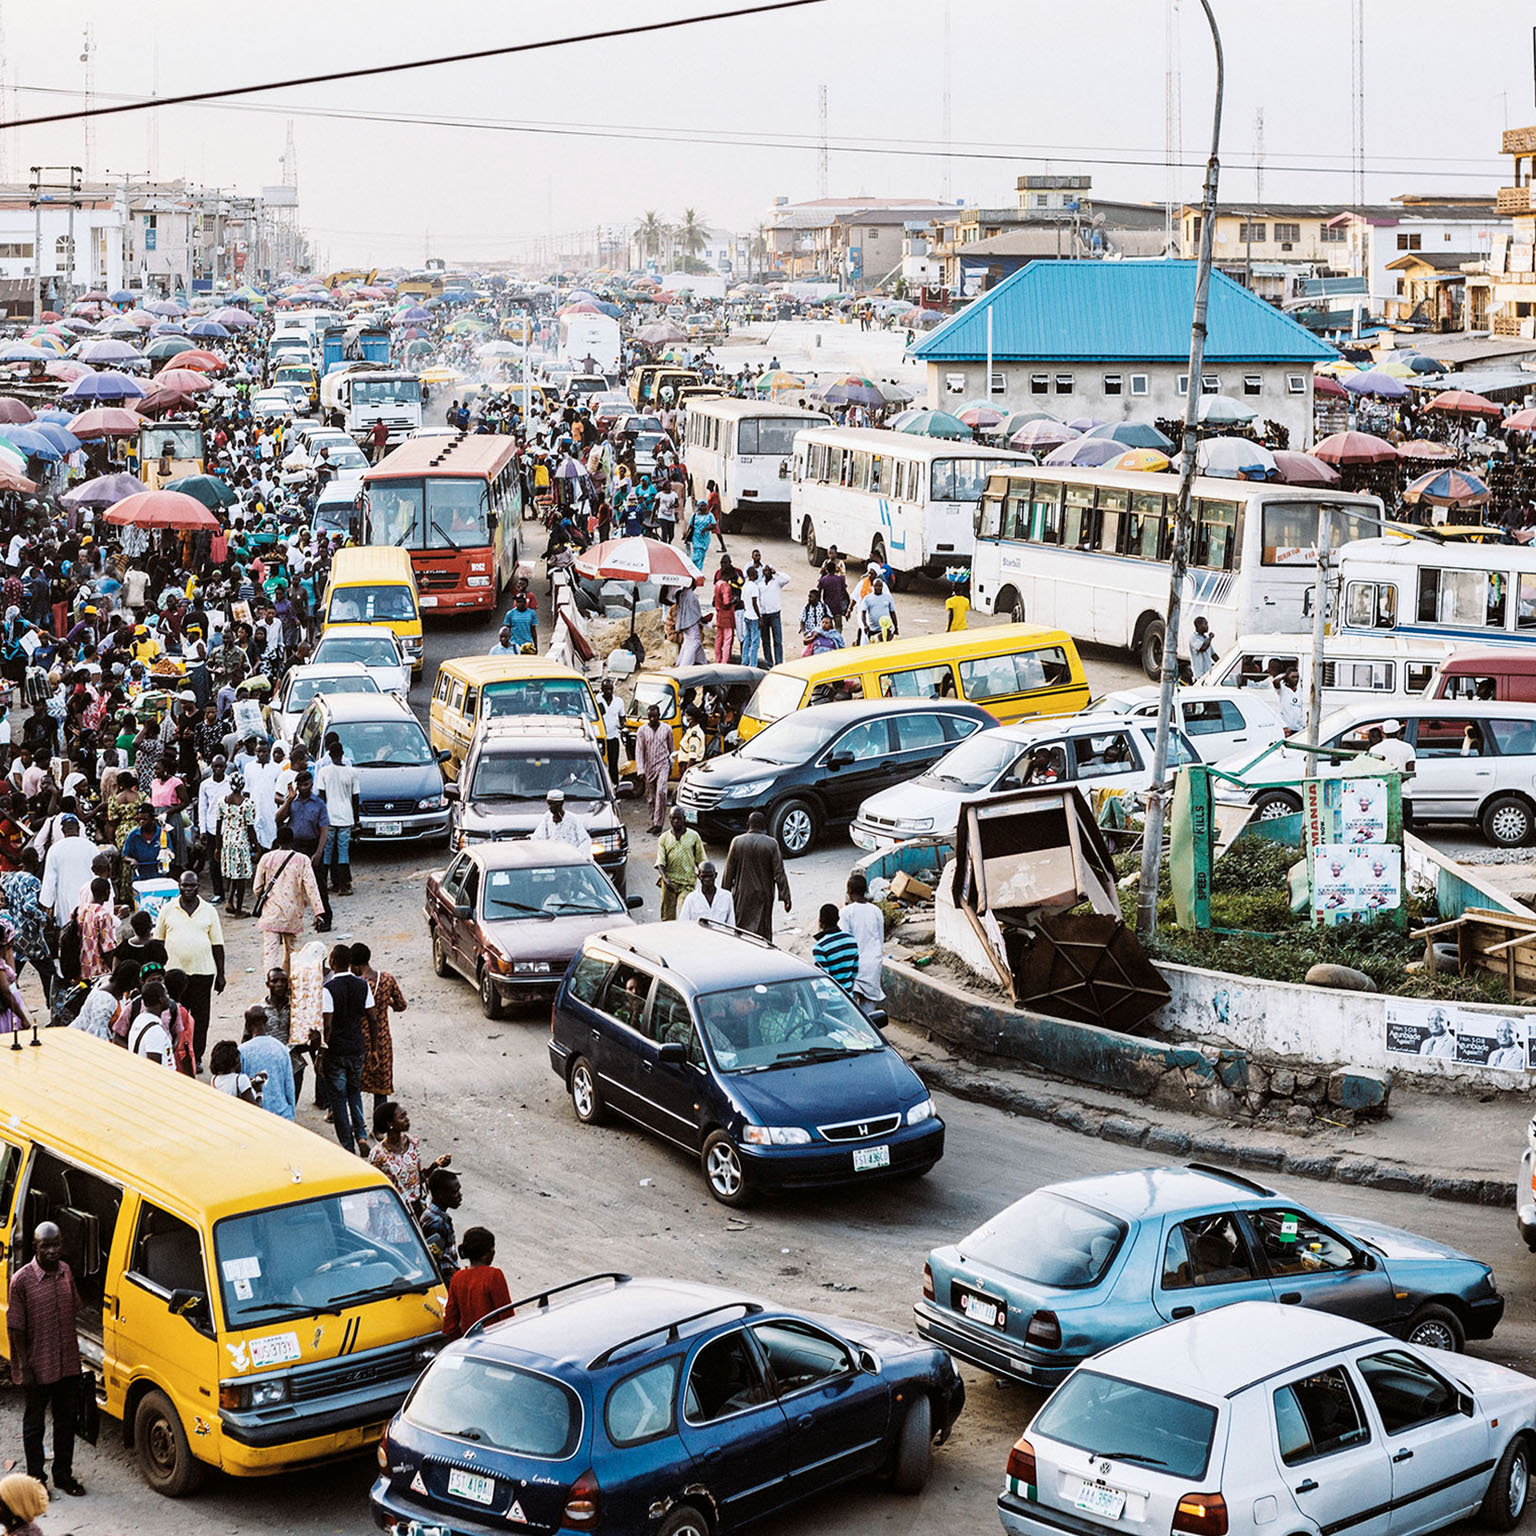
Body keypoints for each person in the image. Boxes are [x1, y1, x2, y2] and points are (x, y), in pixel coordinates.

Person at [7, 1221, 87, 1497]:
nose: (53, 1251)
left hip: (66, 1362)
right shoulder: (22, 1280)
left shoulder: (65, 1272)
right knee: (34, 1424)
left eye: (57, 1244)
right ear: (35, 1247)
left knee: (66, 1421)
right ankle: (36, 1481)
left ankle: (63, 1476)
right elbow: (15, 1326)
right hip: (37, 1365)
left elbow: (74, 1308)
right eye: (46, 1246)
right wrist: (24, 1366)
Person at [154, 871, 225, 1069]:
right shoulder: (168, 909)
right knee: (174, 1016)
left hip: (203, 973)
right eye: (184, 886)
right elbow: (158, 942)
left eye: (192, 886)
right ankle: (176, 1054)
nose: (188, 890)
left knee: (200, 1018)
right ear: (179, 886)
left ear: (198, 887)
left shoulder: (209, 911)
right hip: (174, 975)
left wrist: (221, 974)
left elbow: (217, 945)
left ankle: (197, 1056)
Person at [252, 825, 325, 975]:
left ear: (277, 840)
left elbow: (257, 887)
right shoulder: (302, 860)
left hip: (271, 913)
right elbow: (312, 887)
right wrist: (318, 912)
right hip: (292, 913)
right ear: (293, 840)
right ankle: (289, 983)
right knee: (291, 951)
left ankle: (272, 982)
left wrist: (264, 898)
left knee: (270, 953)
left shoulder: (267, 858)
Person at [324, 942, 372, 1155]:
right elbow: (372, 1018)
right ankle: (361, 1135)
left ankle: (347, 1146)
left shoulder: (328, 989)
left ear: (332, 962)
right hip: (357, 1047)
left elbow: (327, 1025)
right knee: (355, 1092)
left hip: (336, 1050)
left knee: (338, 1097)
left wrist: (320, 1052)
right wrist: (375, 1047)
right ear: (350, 962)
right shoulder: (363, 985)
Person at [351, 941, 404, 1113]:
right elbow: (401, 1005)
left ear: (355, 965)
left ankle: (358, 1125)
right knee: (381, 1084)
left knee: (355, 1084)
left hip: (360, 1039)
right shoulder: (387, 979)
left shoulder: (357, 985)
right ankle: (379, 1128)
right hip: (382, 1039)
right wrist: (386, 1002)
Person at [722, 812, 791, 942]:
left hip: (742, 893)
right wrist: (786, 897)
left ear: (748, 824)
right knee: (763, 929)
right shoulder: (772, 844)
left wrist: (724, 895)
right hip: (764, 894)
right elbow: (779, 873)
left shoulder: (737, 842)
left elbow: (728, 872)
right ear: (764, 826)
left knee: (741, 927)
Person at [368, 1099, 449, 1209]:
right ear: (390, 1124)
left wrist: (435, 1165)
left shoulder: (413, 1143)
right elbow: (372, 1194)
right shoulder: (378, 1154)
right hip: (394, 1213)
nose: (407, 1120)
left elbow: (418, 1178)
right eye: (402, 1117)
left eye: (405, 1115)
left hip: (416, 1209)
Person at [441, 1226, 512, 1341]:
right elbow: (507, 1316)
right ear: (486, 1254)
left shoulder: (457, 1278)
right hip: (494, 1341)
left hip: (469, 1344)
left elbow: (450, 1325)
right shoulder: (494, 1276)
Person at [314, 740, 359, 897]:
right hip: (346, 816)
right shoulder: (352, 772)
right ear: (342, 754)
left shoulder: (324, 772)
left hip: (329, 816)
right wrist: (356, 819)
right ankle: (342, 886)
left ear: (330, 755)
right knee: (343, 851)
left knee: (327, 851)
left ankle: (323, 885)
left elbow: (321, 796)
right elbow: (355, 798)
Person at [838, 872, 885, 1016]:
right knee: (869, 1009)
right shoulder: (876, 911)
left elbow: (844, 941)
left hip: (855, 966)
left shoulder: (846, 912)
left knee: (851, 1007)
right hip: (873, 963)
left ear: (849, 891)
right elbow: (880, 938)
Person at [38, 815, 97, 928]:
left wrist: (47, 905)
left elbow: (49, 881)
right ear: (78, 829)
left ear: (63, 830)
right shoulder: (91, 847)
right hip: (89, 903)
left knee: (69, 936)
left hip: (65, 905)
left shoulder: (54, 849)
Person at [240, 1004, 295, 1119]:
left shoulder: (242, 1051)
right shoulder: (281, 1048)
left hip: (254, 1115)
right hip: (281, 1113)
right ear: (266, 1021)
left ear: (247, 1025)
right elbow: (289, 1086)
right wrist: (291, 1112)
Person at [655, 808, 705, 921]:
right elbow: (660, 861)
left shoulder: (694, 836)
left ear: (684, 819)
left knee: (686, 914)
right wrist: (665, 879)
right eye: (673, 818)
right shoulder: (664, 838)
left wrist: (704, 878)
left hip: (687, 882)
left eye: (679, 818)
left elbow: (701, 859)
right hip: (669, 882)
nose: (676, 821)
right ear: (670, 819)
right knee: (667, 916)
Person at [218, 774, 257, 914]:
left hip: (227, 839)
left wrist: (218, 847)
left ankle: (229, 901)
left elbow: (218, 826)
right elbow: (250, 828)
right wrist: (257, 846)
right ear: (242, 785)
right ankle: (239, 909)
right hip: (241, 841)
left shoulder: (222, 801)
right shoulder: (248, 804)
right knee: (240, 876)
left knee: (234, 873)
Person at [418, 1166, 462, 1279]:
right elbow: (438, 1261)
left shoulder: (432, 1214)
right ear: (440, 1194)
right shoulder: (437, 1224)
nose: (460, 1196)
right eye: (454, 1192)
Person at [635, 703, 673, 834]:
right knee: (651, 797)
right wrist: (640, 770)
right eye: (650, 717)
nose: (652, 719)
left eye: (655, 717)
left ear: (659, 716)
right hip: (649, 767)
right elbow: (639, 751)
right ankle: (653, 820)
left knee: (661, 792)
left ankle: (659, 824)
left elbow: (671, 748)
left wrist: (671, 764)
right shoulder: (642, 731)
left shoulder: (667, 729)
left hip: (663, 764)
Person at [813, 902, 861, 994]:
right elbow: (855, 971)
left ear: (821, 922)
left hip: (831, 1003)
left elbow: (823, 981)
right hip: (848, 999)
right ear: (838, 919)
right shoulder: (851, 940)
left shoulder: (820, 947)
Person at [531, 788, 591, 853]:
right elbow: (538, 837)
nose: (550, 807)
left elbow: (585, 841)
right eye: (549, 803)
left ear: (561, 804)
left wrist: (576, 854)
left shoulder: (573, 819)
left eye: (553, 804)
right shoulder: (547, 817)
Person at [679, 860, 735, 924]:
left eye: (710, 876)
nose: (707, 879)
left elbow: (731, 925)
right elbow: (683, 924)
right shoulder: (691, 899)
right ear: (698, 877)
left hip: (719, 934)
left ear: (715, 875)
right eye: (704, 876)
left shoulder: (727, 897)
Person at [756, 562, 790, 667]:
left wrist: (776, 572)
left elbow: (787, 578)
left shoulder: (777, 582)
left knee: (777, 640)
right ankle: (769, 663)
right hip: (764, 615)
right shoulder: (760, 584)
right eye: (764, 570)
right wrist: (759, 616)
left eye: (768, 570)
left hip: (775, 614)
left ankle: (779, 662)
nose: (766, 572)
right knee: (765, 641)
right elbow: (758, 600)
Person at [209, 1038, 261, 1103]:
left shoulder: (214, 1079)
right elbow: (254, 1106)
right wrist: (259, 1093)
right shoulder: (241, 1079)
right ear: (236, 1061)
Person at [596, 678, 624, 788]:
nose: (609, 692)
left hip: (613, 737)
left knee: (613, 764)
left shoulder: (619, 702)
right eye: (606, 689)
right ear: (602, 690)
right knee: (601, 764)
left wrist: (622, 725)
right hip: (601, 737)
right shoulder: (597, 700)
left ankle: (616, 786)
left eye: (611, 689)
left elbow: (622, 718)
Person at [1189, 614, 1216, 680]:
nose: (1207, 626)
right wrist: (1210, 637)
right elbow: (1203, 648)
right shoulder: (1193, 638)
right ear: (1199, 625)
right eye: (1205, 624)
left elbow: (1213, 655)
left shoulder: (1205, 638)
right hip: (1199, 675)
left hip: (1207, 674)